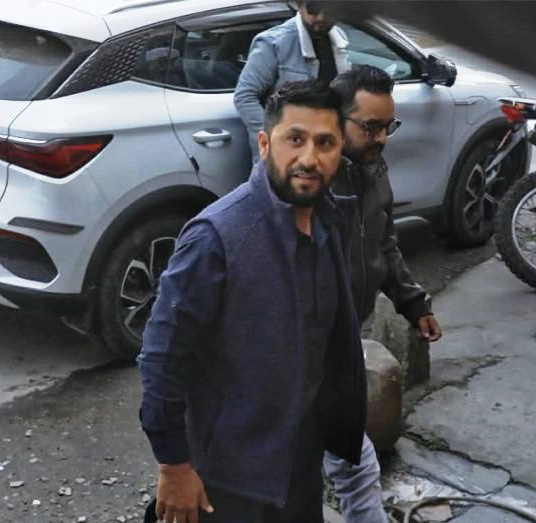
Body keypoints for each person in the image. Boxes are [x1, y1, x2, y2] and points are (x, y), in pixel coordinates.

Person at [138, 80, 366, 523]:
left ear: (340, 151)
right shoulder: (217, 236)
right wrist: (174, 466)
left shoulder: (331, 220)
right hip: (227, 479)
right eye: (294, 139)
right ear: (264, 144)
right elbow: (162, 359)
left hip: (299, 466)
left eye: (325, 143)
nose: (309, 158)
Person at [323, 65, 444, 523]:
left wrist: (413, 302)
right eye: (370, 127)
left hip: (347, 338)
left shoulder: (373, 167)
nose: (381, 139)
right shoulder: (312, 179)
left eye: (387, 127)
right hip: (304, 347)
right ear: (337, 120)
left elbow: (383, 241)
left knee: (351, 463)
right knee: (337, 462)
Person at [234, 0, 350, 160]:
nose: (322, 17)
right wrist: (276, 137)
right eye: (314, 8)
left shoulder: (339, 39)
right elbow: (244, 96)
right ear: (299, 4)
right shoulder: (274, 42)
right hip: (282, 154)